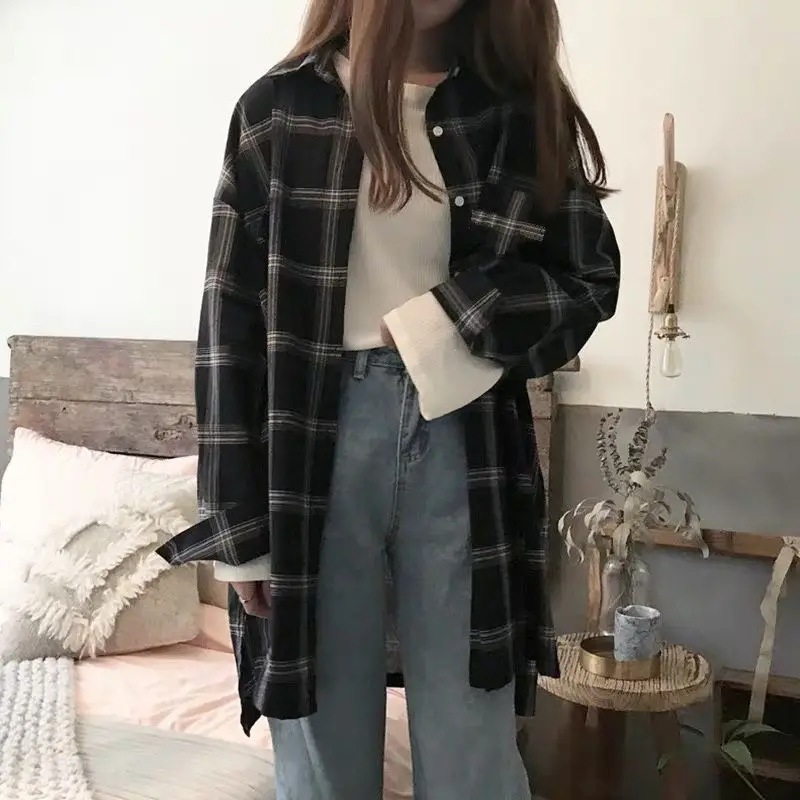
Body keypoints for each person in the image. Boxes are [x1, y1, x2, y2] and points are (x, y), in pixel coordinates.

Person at [157, 0, 621, 797]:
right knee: (320, 741)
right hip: (310, 452)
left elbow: (587, 280)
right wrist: (240, 533)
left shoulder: (517, 110)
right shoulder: (277, 110)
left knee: (472, 742)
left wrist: (448, 319)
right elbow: (229, 326)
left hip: (465, 439)